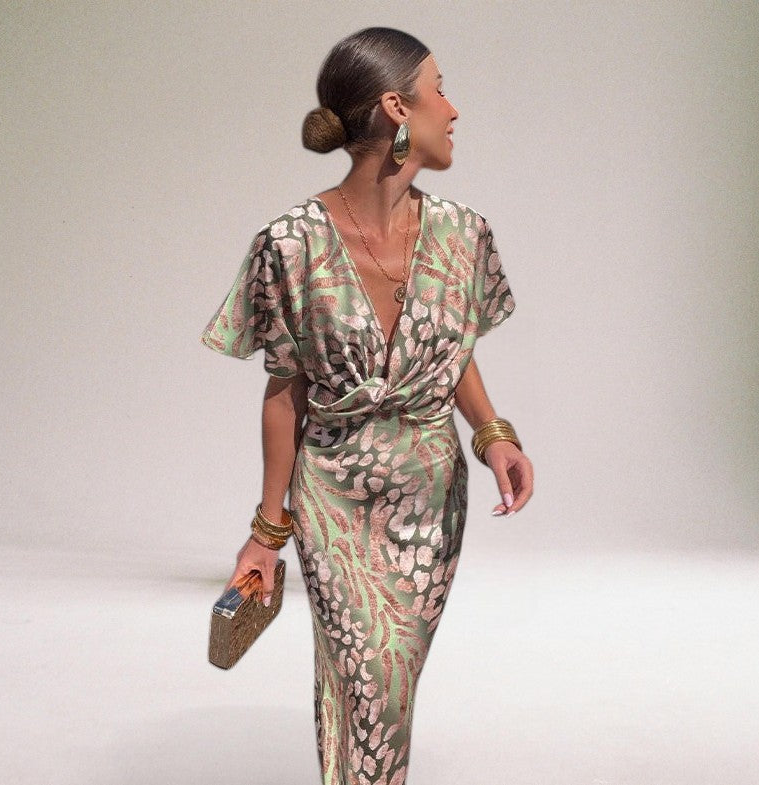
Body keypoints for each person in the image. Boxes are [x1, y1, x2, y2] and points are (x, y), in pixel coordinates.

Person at [200, 26, 534, 785]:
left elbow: (450, 349)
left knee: (382, 687)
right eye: (440, 89)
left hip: (430, 501)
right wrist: (266, 532)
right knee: (370, 677)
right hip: (333, 497)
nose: (454, 109)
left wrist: (493, 435)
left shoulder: (464, 235)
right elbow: (284, 391)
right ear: (396, 107)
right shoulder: (289, 244)